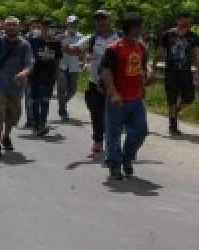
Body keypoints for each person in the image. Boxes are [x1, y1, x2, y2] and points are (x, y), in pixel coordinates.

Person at [100, 12, 151, 181]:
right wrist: (113, 93)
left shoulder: (141, 47)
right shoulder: (114, 49)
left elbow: (142, 68)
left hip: (136, 98)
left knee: (141, 131)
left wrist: (147, 79)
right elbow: (106, 72)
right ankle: (114, 165)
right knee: (113, 133)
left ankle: (127, 157)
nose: (142, 30)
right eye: (140, 27)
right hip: (117, 99)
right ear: (133, 28)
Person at [68, 10, 120, 155]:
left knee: (114, 114)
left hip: (116, 83)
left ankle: (112, 143)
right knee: (96, 114)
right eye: (98, 19)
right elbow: (76, 49)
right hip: (95, 82)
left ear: (110, 20)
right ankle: (98, 140)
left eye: (104, 19)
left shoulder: (120, 37)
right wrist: (64, 46)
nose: (101, 22)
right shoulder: (91, 38)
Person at [0, 17, 33, 159]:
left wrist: (24, 72)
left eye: (14, 25)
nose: (11, 27)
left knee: (12, 116)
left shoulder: (25, 45)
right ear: (4, 27)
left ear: (19, 28)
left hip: (17, 86)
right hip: (0, 84)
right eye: (9, 25)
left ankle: (6, 136)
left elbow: (30, 63)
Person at [153, 10, 199, 135]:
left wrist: (198, 70)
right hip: (171, 71)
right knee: (172, 98)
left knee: (189, 97)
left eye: (188, 22)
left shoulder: (193, 36)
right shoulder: (168, 35)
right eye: (184, 21)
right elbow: (160, 51)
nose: (186, 25)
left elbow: (196, 55)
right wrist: (153, 66)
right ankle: (172, 124)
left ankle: (174, 112)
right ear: (178, 20)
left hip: (186, 71)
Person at [27, 18, 62, 136]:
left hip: (49, 76)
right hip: (35, 74)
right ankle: (37, 124)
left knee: (45, 101)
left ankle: (42, 123)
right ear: (40, 27)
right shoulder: (33, 41)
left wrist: (56, 74)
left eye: (49, 26)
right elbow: (28, 57)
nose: (46, 28)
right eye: (44, 26)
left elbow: (58, 60)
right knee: (35, 101)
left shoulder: (56, 43)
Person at [56, 15, 83, 121]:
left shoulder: (81, 37)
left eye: (75, 23)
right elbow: (57, 49)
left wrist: (84, 62)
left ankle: (62, 103)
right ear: (67, 24)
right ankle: (63, 110)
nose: (73, 25)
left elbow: (82, 51)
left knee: (73, 89)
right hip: (62, 65)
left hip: (74, 65)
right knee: (62, 89)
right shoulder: (61, 36)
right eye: (71, 23)